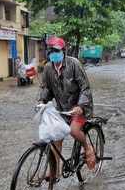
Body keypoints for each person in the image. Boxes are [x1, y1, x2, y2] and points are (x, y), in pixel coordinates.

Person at [39, 36, 96, 176]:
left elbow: (85, 88)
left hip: (80, 108)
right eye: (51, 50)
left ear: (63, 51)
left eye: (56, 50)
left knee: (74, 130)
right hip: (62, 109)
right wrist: (41, 102)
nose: (53, 53)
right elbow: (46, 89)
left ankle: (87, 147)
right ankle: (55, 170)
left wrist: (81, 106)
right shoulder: (47, 68)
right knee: (56, 136)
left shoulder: (74, 64)